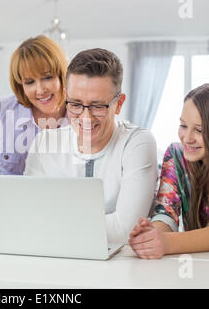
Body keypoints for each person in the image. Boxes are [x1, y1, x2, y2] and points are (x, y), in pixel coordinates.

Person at [24, 48, 159, 243]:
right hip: (57, 260)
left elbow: (124, 228)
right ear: (65, 97)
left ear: (119, 104)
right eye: (76, 104)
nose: (86, 118)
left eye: (98, 106)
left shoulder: (137, 142)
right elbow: (28, 217)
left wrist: (50, 226)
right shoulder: (45, 143)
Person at [129, 82, 209, 259]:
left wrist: (166, 242)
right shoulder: (176, 155)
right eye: (183, 126)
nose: (187, 138)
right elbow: (166, 213)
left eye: (199, 130)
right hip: (201, 264)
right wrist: (151, 236)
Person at [0, 35, 69, 175]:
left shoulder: (81, 113)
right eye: (30, 82)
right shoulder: (2, 111)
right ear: (20, 85)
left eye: (48, 77)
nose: (41, 90)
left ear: (62, 75)